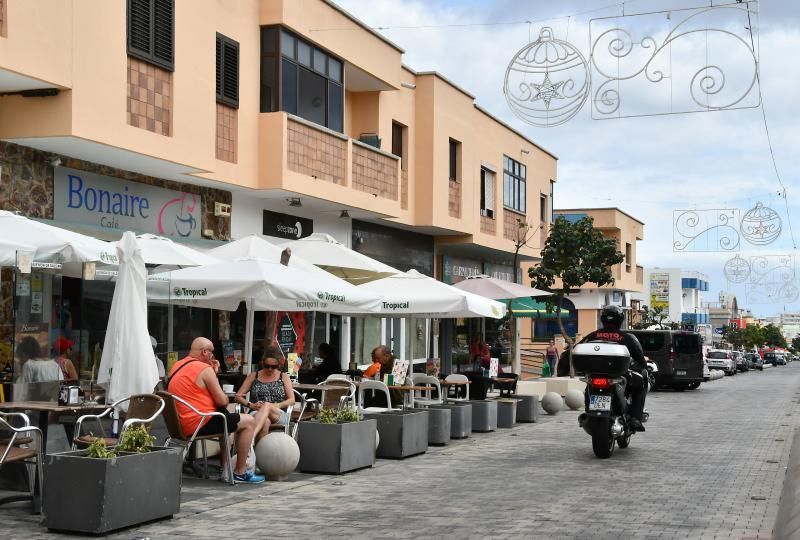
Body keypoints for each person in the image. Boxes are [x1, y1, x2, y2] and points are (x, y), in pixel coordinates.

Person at [167, 337, 267, 484]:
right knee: (249, 421)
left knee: (228, 420)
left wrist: (212, 373)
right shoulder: (204, 370)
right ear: (205, 352)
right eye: (212, 352)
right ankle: (240, 472)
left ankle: (225, 470)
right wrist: (213, 373)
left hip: (179, 424)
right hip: (200, 423)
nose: (213, 356)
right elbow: (223, 401)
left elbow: (197, 391)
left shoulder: (177, 366)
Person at [580, 305, 648, 432]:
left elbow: (578, 349)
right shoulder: (626, 337)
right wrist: (643, 368)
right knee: (641, 384)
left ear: (603, 319)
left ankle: (588, 412)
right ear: (620, 320)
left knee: (589, 386)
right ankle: (635, 418)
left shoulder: (593, 335)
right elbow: (639, 357)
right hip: (620, 375)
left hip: (595, 375)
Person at [233, 347, 295, 440]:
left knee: (267, 405)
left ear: (278, 365)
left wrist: (274, 406)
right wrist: (251, 405)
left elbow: (292, 400)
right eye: (267, 366)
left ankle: (250, 438)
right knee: (265, 422)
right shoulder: (254, 376)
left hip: (277, 413)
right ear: (262, 363)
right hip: (256, 412)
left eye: (274, 367)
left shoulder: (284, 376)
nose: (270, 369)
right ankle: (258, 453)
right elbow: (237, 397)